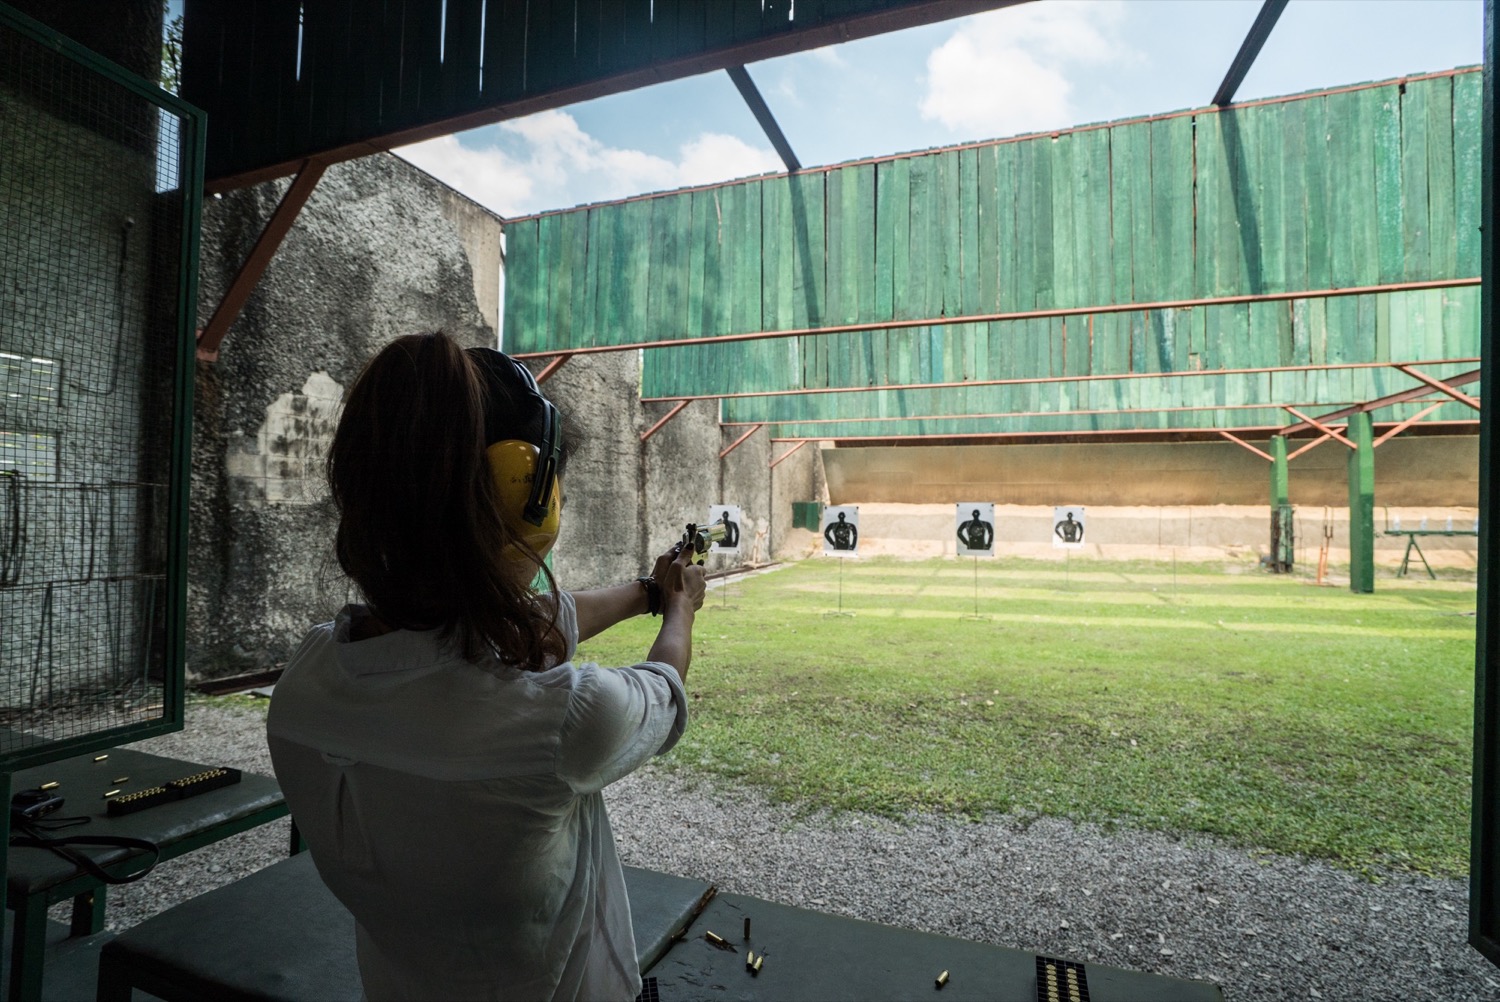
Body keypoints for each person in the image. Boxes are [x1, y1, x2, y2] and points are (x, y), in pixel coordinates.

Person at [265, 332, 705, 1002]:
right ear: (524, 494)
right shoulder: (567, 721)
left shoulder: (303, 687)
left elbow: (511, 627)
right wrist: (679, 609)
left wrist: (647, 592)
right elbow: (663, 688)